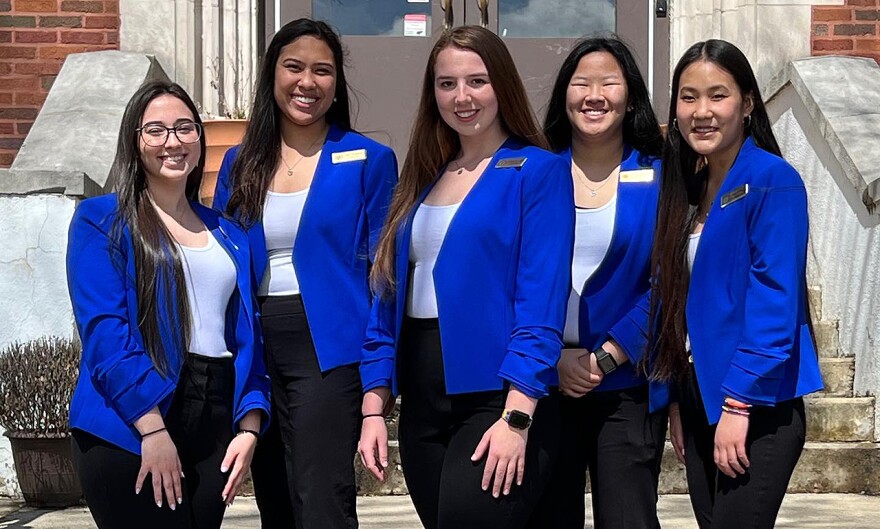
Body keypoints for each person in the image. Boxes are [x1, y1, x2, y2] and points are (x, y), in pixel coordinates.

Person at [357, 25, 574, 529]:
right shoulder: (424, 175)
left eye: (477, 81)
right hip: (422, 405)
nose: (462, 97)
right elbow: (386, 298)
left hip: (497, 397)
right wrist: (374, 406)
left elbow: (542, 301)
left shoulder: (537, 171)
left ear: (502, 84)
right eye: (446, 83)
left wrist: (517, 416)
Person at [212, 18, 398, 529]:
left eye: (322, 71)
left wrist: (378, 384)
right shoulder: (239, 162)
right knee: (274, 498)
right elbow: (221, 262)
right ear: (273, 73)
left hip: (329, 349)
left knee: (321, 498)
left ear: (337, 84)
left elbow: (385, 278)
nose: (307, 82)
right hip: (255, 345)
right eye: (294, 67)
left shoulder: (370, 160)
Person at [67, 80, 269, 529]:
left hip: (213, 419)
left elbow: (248, 337)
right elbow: (105, 333)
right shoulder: (102, 221)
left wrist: (250, 426)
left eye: (184, 128)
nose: (172, 142)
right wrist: (152, 429)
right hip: (131, 423)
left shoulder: (230, 233)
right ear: (134, 142)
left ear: (199, 138)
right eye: (155, 131)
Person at [649, 39, 824, 529]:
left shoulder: (773, 179)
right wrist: (676, 402)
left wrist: (738, 403)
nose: (701, 112)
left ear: (747, 104)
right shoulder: (687, 189)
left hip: (756, 404)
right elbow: (672, 304)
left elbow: (775, 300)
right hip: (697, 396)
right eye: (688, 97)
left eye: (717, 95)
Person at [529, 35, 668, 529]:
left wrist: (605, 358)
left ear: (629, 94)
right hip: (543, 382)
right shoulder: (532, 171)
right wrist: (556, 357)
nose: (594, 95)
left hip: (627, 383)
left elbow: (671, 280)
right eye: (580, 82)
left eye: (608, 82)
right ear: (563, 93)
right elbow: (509, 276)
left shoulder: (660, 174)